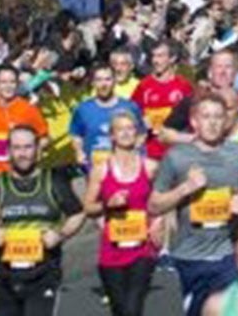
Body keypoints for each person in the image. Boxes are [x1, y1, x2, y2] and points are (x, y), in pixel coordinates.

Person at [154, 93, 238, 316]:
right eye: (206, 117)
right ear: (194, 122)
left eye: (218, 117)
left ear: (226, 121)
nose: (212, 123)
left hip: (229, 252)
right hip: (190, 255)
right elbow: (154, 205)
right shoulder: (176, 157)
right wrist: (186, 188)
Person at [0, 124, 85, 316]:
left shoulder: (54, 181)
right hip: (5, 276)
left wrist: (60, 234)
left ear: (38, 149)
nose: (22, 154)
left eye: (28, 147)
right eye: (17, 148)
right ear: (8, 151)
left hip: (44, 274)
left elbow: (78, 213)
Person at [83, 105, 159, 316]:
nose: (126, 133)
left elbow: (162, 201)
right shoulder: (101, 170)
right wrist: (108, 204)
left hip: (143, 249)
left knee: (133, 309)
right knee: (120, 309)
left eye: (131, 128)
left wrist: (159, 223)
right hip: (111, 251)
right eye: (120, 129)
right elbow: (88, 207)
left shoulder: (151, 167)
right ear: (112, 136)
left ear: (137, 133)